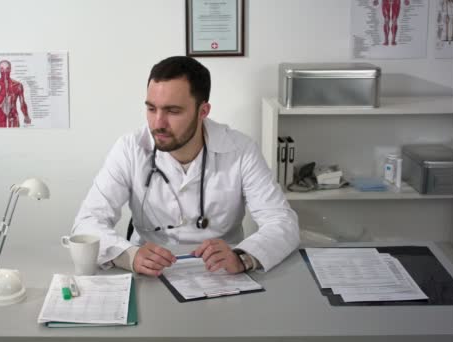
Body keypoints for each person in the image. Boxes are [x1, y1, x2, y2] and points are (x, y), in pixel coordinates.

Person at [72, 56, 299, 276]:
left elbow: (282, 222)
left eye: (172, 111)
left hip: (222, 274)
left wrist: (243, 257)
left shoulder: (240, 150)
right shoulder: (129, 148)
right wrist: (128, 256)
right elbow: (87, 223)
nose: (158, 123)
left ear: (203, 111)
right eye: (151, 109)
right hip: (150, 273)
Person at [0, 60, 31, 127]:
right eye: (2, 69)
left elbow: (22, 102)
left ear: (10, 69)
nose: (5, 71)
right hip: (0, 116)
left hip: (13, 116)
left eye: (7, 69)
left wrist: (26, 116)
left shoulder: (18, 85)